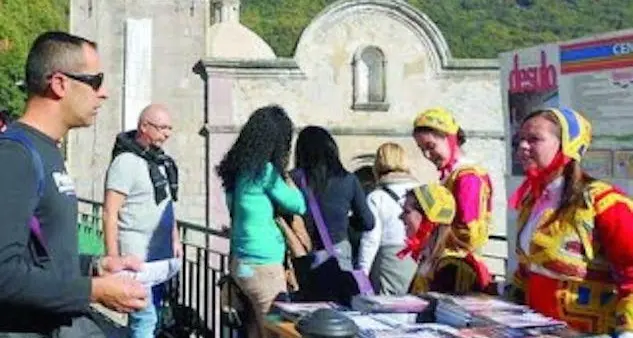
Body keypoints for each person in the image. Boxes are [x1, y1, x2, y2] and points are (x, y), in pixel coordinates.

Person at [0, 31, 147, 337]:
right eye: (95, 81)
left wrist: (94, 266)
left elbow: (41, 258)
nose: (103, 92)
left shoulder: (47, 150)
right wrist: (92, 290)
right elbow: (3, 274)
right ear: (59, 84)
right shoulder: (15, 156)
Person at [506, 107, 633, 336]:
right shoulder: (531, 200)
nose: (522, 147)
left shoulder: (604, 202)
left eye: (534, 139)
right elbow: (527, 268)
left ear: (567, 145)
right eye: (519, 140)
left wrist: (627, 332)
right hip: (536, 328)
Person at [216, 105, 306, 338]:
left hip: (240, 263)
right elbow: (298, 205)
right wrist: (288, 180)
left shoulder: (237, 171)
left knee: (253, 330)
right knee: (276, 332)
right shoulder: (265, 172)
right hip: (264, 265)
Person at [103, 103, 181, 338]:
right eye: (161, 128)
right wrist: (113, 256)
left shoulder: (161, 162)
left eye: (169, 128)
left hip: (160, 256)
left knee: (154, 317)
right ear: (144, 127)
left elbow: (166, 206)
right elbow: (110, 212)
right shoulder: (125, 162)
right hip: (136, 257)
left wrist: (175, 239)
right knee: (144, 320)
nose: (166, 134)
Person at [291, 126, 374, 271]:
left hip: (303, 253)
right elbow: (368, 222)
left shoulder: (294, 179)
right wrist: (346, 222)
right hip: (338, 252)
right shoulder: (348, 179)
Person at [412, 107, 493, 253]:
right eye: (421, 149)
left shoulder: (468, 177)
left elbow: (468, 233)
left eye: (431, 146)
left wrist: (431, 239)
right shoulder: (452, 174)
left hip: (458, 263)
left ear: (450, 139)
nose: (427, 155)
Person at [399, 184, 491, 295]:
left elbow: (446, 310)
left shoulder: (452, 266)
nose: (400, 217)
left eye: (407, 212)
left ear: (428, 218)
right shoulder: (428, 259)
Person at [357, 142, 418, 295]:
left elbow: (370, 240)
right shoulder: (420, 190)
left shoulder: (376, 197)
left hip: (388, 262)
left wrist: (362, 275)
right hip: (416, 259)